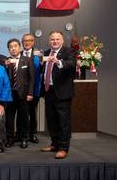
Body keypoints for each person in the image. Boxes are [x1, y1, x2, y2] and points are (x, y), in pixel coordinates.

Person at [40, 31, 75, 159]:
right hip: (49, 91)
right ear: (49, 41)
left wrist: (58, 62)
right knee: (52, 120)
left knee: (63, 122)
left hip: (62, 93)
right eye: (52, 39)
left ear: (62, 41)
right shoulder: (45, 53)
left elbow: (71, 64)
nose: (55, 41)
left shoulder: (68, 51)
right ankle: (54, 144)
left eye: (57, 39)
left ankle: (63, 148)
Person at [5, 39, 34, 149]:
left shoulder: (27, 60)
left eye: (15, 46)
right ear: (8, 49)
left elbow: (32, 78)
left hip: (24, 94)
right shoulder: (6, 61)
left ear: (20, 47)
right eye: (11, 47)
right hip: (10, 94)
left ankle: (24, 138)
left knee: (24, 118)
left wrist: (30, 93)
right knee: (9, 118)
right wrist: (6, 66)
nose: (13, 48)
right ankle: (10, 139)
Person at [21, 33, 42, 144]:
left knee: (32, 113)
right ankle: (22, 135)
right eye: (25, 40)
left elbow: (41, 72)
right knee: (23, 113)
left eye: (30, 40)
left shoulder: (38, 56)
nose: (27, 42)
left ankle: (32, 134)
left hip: (35, 89)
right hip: (21, 90)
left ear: (33, 42)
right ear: (22, 42)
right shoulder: (18, 55)